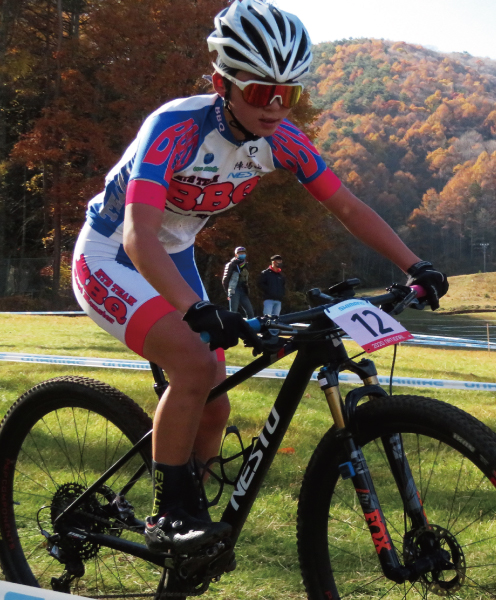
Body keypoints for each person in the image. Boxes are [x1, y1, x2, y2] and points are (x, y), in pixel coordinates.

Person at [70, 0, 447, 555]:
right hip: (113, 253)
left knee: (216, 402)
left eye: (288, 94)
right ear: (222, 82)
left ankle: (188, 521)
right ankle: (167, 516)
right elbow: (137, 235)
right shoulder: (174, 129)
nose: (275, 107)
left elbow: (347, 207)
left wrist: (414, 264)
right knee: (195, 367)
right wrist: (196, 309)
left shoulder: (283, 140)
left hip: (172, 254)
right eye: (259, 92)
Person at [222, 246, 254, 318]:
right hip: (234, 290)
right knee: (233, 312)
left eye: (243, 253)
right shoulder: (231, 264)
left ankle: (249, 327)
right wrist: (228, 292)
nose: (242, 254)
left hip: (243, 290)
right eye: (240, 253)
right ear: (236, 254)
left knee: (250, 312)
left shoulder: (245, 265)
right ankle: (231, 328)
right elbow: (225, 280)